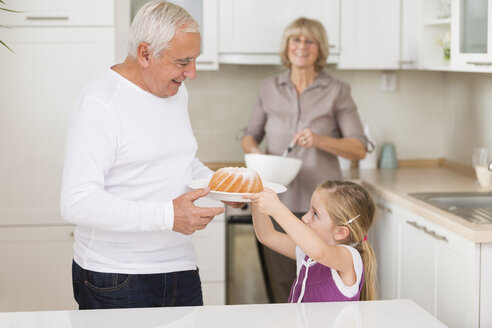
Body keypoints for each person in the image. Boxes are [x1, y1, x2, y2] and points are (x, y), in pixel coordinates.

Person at [60, 1, 225, 309]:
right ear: (146, 54)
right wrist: (168, 216)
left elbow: (180, 161)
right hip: (115, 276)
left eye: (194, 60)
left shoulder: (174, 92)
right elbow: (77, 202)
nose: (192, 73)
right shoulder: (101, 103)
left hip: (180, 267)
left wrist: (223, 184)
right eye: (182, 62)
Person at [241, 17, 371, 302]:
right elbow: (249, 135)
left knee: (324, 281)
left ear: (320, 48)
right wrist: (257, 159)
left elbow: (359, 148)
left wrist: (320, 139)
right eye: (295, 40)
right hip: (278, 204)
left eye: (309, 40)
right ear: (286, 47)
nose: (301, 46)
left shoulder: (337, 91)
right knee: (285, 287)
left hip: (323, 209)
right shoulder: (268, 88)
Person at [243, 180, 377, 302]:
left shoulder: (348, 258)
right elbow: (267, 236)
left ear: (340, 232)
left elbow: (320, 252)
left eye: (315, 214)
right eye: (309, 210)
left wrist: (277, 209)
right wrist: (256, 198)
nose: (305, 218)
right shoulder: (306, 253)